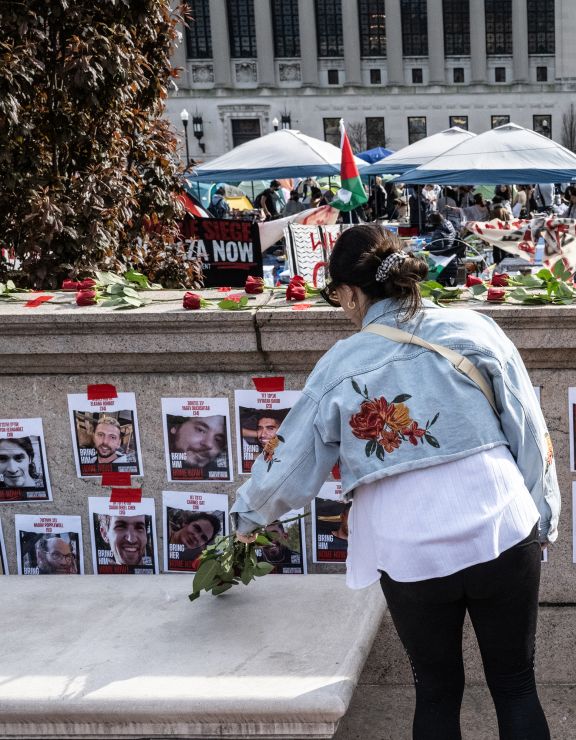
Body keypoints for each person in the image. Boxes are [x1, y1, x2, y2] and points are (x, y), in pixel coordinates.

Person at [230, 223, 558, 738]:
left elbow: (292, 457)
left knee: (435, 689)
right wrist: (544, 515)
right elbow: (528, 426)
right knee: (516, 684)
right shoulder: (475, 328)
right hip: (500, 523)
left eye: (337, 296)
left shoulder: (340, 363)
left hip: (410, 544)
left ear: (352, 292)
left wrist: (247, 518)